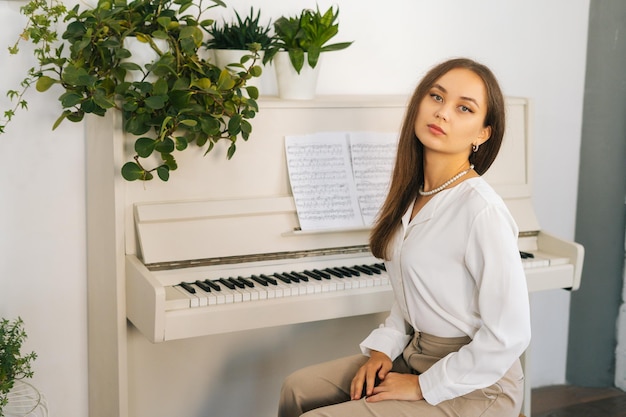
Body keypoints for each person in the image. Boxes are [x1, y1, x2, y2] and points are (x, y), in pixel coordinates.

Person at [277, 57, 532, 417]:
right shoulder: (412, 195)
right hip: (414, 355)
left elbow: (510, 335)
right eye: (437, 97)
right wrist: (382, 351)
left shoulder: (482, 210)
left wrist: (420, 385)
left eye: (464, 108)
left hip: (478, 385)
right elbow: (412, 295)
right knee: (297, 389)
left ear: (482, 133)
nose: (443, 113)